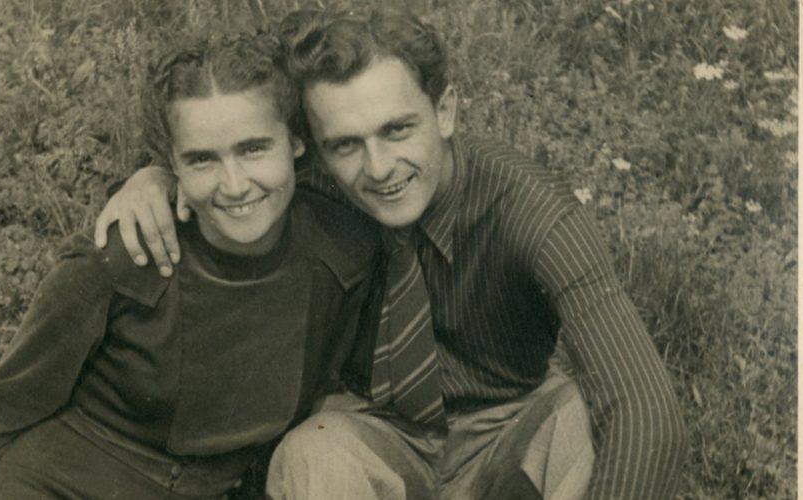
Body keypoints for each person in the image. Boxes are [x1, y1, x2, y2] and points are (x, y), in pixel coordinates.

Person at [98, 8, 687, 500]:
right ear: (310, 147)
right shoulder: (311, 178)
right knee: (313, 453)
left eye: (398, 130)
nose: (378, 169)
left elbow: (645, 407)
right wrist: (153, 178)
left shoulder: (532, 211)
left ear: (445, 112)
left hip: (508, 420)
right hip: (373, 423)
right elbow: (227, 153)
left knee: (578, 421)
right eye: (345, 145)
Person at [0, 30, 382, 500]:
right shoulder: (123, 257)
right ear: (172, 165)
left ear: (296, 142)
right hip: (62, 485)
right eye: (202, 159)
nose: (234, 184)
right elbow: (0, 411)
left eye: (253, 149)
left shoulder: (341, 249)